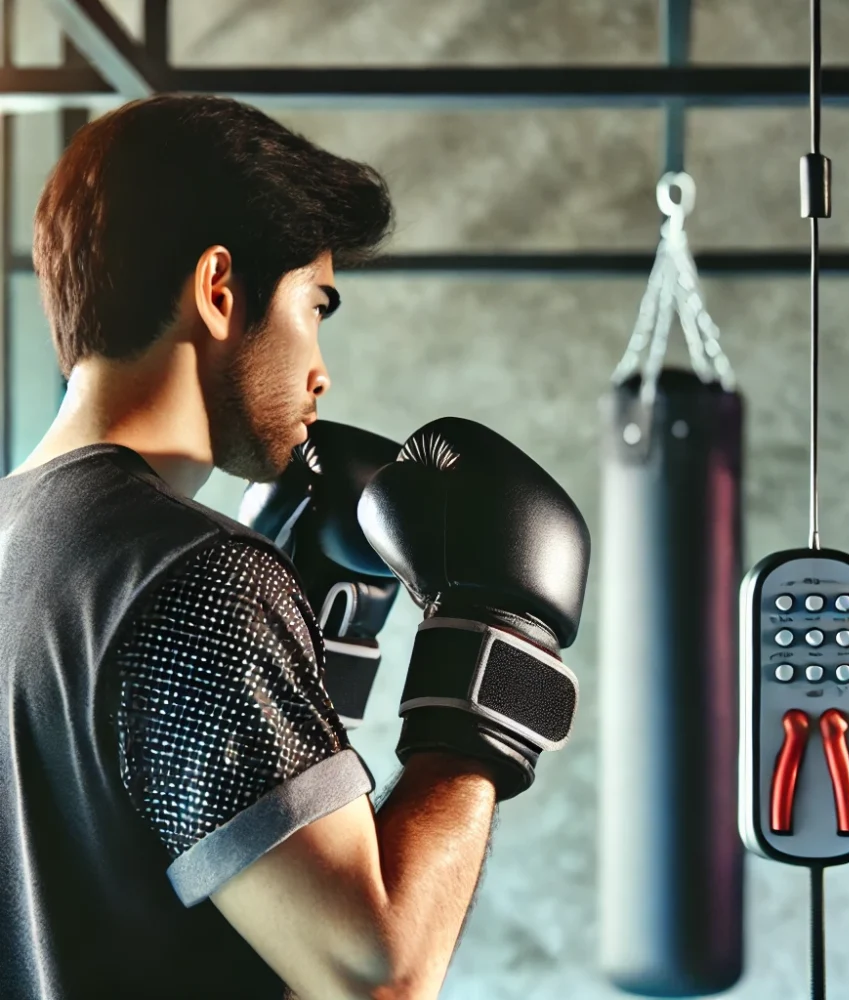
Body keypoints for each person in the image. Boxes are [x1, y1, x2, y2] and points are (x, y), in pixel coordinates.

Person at [0, 94, 589, 1000]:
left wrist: (324, 643)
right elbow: (376, 974)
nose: (322, 369)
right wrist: (492, 651)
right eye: (315, 306)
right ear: (220, 290)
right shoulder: (194, 580)